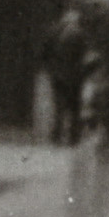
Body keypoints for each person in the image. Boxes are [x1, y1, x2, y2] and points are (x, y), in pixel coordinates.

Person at [39, 9, 86, 146]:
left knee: (59, 106)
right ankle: (73, 138)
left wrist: (49, 69)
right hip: (75, 77)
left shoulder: (54, 32)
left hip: (58, 75)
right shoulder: (80, 34)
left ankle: (56, 136)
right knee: (74, 108)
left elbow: (44, 52)